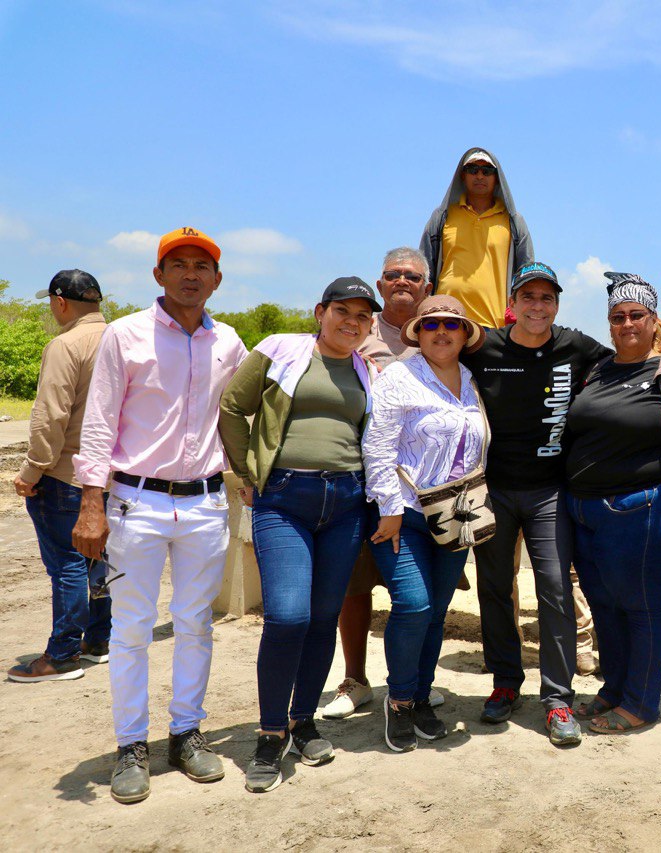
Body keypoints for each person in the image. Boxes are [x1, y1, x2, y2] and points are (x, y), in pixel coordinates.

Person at [71, 227, 248, 804]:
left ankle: (186, 733)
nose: (191, 274)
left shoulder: (230, 343)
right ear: (158, 275)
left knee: (196, 622)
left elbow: (248, 413)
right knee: (131, 629)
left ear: (218, 280)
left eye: (202, 265)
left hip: (202, 502)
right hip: (134, 502)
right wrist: (91, 502)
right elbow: (98, 423)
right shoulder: (125, 336)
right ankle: (131, 746)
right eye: (179, 264)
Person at [219, 277, 381, 793]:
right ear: (320, 311)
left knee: (323, 618)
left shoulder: (367, 371)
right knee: (288, 615)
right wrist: (247, 472)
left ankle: (302, 719)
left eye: (361, 315)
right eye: (342, 310)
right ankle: (269, 735)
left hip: (347, 503)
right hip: (284, 499)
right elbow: (231, 408)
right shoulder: (281, 351)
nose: (350, 321)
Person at [564, 273, 661, 734]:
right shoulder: (598, 369)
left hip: (647, 507)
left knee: (643, 606)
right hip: (586, 510)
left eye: (636, 315)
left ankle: (641, 702)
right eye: (618, 317)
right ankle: (614, 689)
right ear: (609, 324)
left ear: (654, 320)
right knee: (605, 604)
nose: (627, 323)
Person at [462, 261, 611, 745]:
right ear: (513, 304)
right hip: (493, 489)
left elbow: (624, 361)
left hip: (550, 489)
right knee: (495, 588)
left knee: (554, 588)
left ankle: (557, 698)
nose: (537, 306)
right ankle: (505, 682)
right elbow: (434, 354)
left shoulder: (575, 345)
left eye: (547, 299)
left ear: (557, 305)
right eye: (528, 297)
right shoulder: (484, 345)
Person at [363, 295, 487, 753]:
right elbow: (377, 446)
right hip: (406, 514)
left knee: (436, 610)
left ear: (464, 334)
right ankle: (397, 701)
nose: (441, 331)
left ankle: (420, 696)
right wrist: (390, 509)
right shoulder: (398, 376)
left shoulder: (472, 380)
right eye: (431, 324)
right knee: (413, 604)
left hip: (457, 514)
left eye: (451, 325)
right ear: (418, 331)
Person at [323, 248, 436, 721]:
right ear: (381, 283)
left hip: (419, 488)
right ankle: (355, 678)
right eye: (394, 275)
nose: (403, 282)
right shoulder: (358, 328)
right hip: (358, 477)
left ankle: (410, 684)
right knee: (356, 583)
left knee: (420, 592)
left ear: (426, 287)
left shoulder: (440, 330)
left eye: (413, 276)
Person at [7, 270, 110, 683]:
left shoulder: (66, 344)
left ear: (60, 302)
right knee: (99, 558)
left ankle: (63, 654)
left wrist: (31, 471)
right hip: (110, 476)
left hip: (66, 473)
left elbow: (50, 416)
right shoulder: (123, 340)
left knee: (67, 564)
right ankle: (99, 638)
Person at [419, 148, 534, 329]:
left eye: (487, 171)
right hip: (446, 321)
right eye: (473, 170)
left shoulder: (513, 222)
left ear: (496, 178)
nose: (479, 175)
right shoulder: (443, 217)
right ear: (462, 176)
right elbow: (424, 269)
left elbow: (526, 275)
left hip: (495, 325)